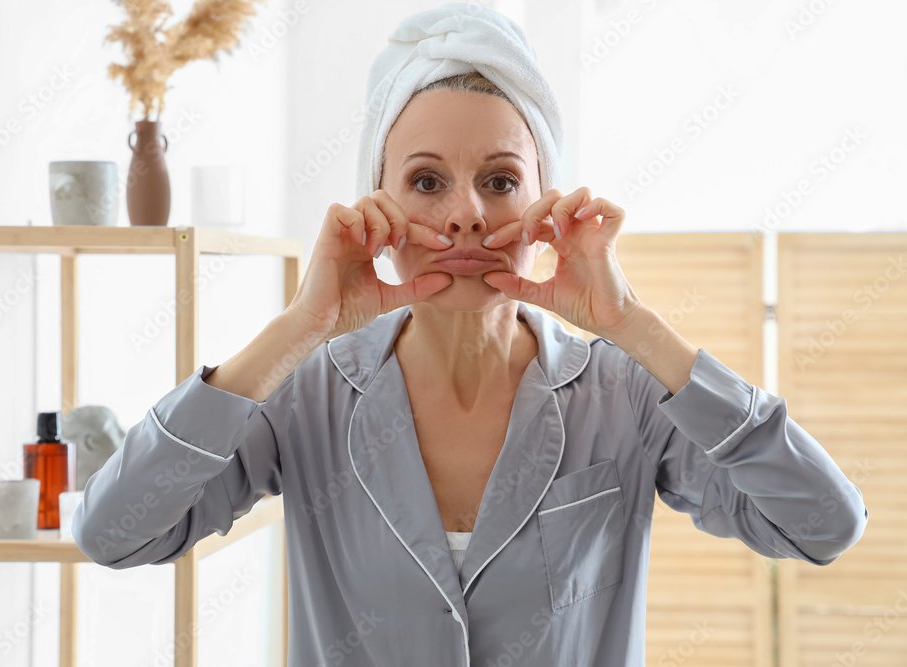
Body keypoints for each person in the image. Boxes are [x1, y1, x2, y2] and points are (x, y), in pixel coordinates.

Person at [72, 3, 869, 666]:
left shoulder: (623, 394)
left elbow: (823, 523)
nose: (465, 212)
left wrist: (632, 324)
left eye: (499, 180)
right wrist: (297, 327)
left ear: (542, 206)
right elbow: (113, 533)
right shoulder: (305, 395)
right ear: (374, 206)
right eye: (425, 181)